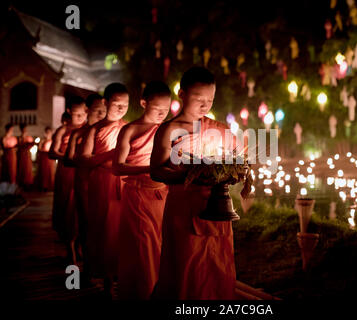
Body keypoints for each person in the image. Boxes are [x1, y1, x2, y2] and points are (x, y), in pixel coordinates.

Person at [150, 67, 240, 299]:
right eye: (198, 98)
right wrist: (191, 175)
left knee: (217, 264)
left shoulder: (218, 129)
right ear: (181, 93)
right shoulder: (169, 129)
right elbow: (156, 171)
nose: (205, 105)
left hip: (217, 207)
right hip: (183, 209)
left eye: (209, 99)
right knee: (186, 266)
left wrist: (231, 172)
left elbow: (234, 162)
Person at [113, 81, 171, 299]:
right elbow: (117, 167)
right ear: (144, 103)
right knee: (142, 246)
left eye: (166, 110)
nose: (162, 114)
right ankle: (143, 293)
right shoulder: (130, 130)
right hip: (138, 196)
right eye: (157, 109)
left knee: (161, 246)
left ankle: (160, 290)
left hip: (162, 195)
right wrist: (151, 168)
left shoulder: (167, 130)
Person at [79, 83, 128, 295]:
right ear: (106, 102)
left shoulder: (128, 128)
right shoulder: (95, 129)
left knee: (121, 230)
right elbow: (84, 159)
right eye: (117, 104)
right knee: (102, 228)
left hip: (124, 183)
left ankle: (120, 273)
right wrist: (110, 155)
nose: (121, 109)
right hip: (102, 182)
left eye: (125, 105)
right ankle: (103, 276)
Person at [64, 93, 106, 276]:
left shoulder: (109, 130)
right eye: (98, 111)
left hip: (106, 184)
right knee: (86, 225)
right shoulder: (78, 134)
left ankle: (106, 268)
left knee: (106, 226)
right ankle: (88, 266)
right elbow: (67, 159)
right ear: (88, 110)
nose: (102, 115)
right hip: (85, 183)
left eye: (104, 111)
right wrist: (89, 160)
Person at [49, 97, 87, 264]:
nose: (79, 118)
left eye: (82, 114)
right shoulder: (62, 130)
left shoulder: (89, 130)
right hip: (66, 172)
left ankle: (79, 246)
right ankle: (70, 248)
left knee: (81, 211)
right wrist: (67, 156)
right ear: (69, 112)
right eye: (76, 114)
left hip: (83, 172)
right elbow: (52, 152)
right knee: (67, 209)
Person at [35, 127, 55, 191]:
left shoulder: (53, 141)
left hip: (49, 158)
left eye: (49, 132)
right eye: (47, 132)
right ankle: (43, 185)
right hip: (43, 157)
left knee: (50, 171)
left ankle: (49, 185)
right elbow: (39, 149)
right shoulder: (43, 140)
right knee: (43, 171)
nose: (48, 134)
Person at [16, 124, 34, 190]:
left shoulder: (29, 138)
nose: (24, 130)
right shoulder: (19, 138)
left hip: (27, 155)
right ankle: (21, 183)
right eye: (23, 129)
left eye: (25, 129)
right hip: (20, 155)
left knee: (27, 168)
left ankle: (28, 183)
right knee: (21, 168)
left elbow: (31, 144)